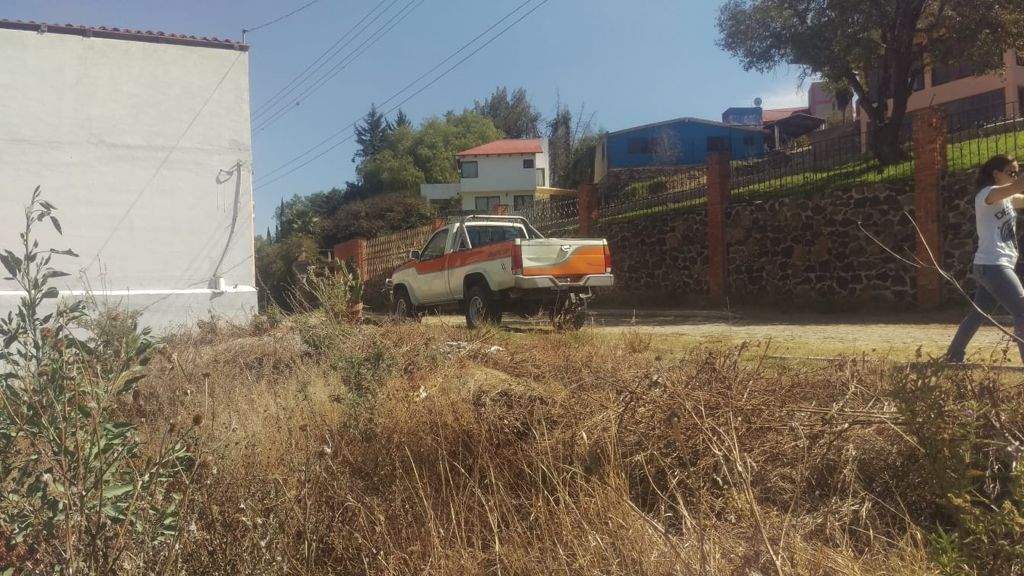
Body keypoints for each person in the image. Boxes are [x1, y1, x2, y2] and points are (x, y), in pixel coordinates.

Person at [947, 154, 1024, 363]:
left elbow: (1018, 195)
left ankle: (954, 355)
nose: (1015, 175)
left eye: (1017, 172)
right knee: (1022, 309)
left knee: (978, 313)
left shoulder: (1007, 198)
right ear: (996, 174)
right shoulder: (986, 194)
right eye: (1012, 171)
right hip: (993, 265)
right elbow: (1018, 187)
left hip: (992, 265)